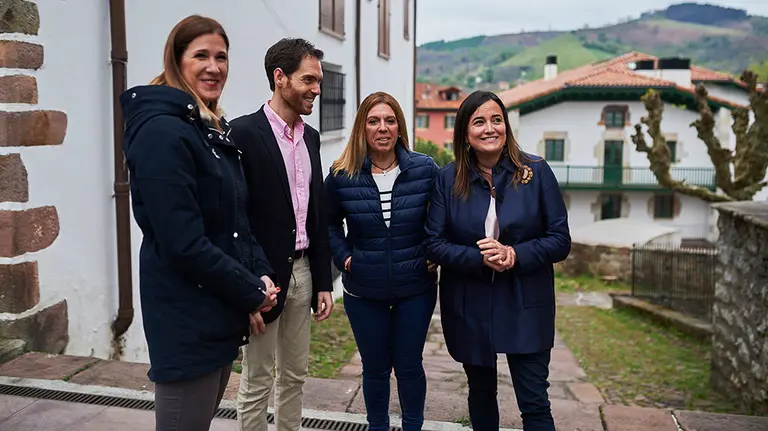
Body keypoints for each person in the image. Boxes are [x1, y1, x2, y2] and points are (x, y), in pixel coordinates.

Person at [120, 15, 279, 431]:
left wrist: (260, 273)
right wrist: (250, 292)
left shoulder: (208, 128)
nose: (214, 67)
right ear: (176, 61)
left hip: (218, 314)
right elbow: (183, 243)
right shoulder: (162, 132)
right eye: (201, 56)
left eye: (221, 57)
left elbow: (235, 221)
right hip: (186, 321)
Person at [424, 90, 571, 431]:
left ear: (506, 126)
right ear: (465, 133)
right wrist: (479, 258)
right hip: (470, 302)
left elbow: (560, 240)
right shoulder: (447, 179)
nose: (490, 128)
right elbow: (433, 243)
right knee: (480, 393)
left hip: (525, 299)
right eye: (479, 122)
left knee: (534, 401)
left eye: (496, 120)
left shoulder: (536, 171)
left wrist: (514, 254)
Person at [230, 37, 334, 431]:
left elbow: (316, 214)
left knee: (295, 377)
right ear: (280, 77)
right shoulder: (242, 133)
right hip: (263, 279)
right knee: (257, 379)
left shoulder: (311, 137)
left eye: (318, 81)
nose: (316, 89)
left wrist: (323, 282)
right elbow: (236, 220)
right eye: (308, 80)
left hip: (304, 274)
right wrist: (248, 287)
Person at [324, 92, 440, 431]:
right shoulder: (342, 174)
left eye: (390, 120)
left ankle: (413, 426)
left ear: (399, 127)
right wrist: (345, 258)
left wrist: (432, 254)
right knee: (374, 368)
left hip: (415, 286)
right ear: (362, 128)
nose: (382, 128)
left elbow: (442, 218)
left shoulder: (424, 169)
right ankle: (377, 426)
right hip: (363, 289)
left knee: (409, 365)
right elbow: (328, 224)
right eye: (373, 121)